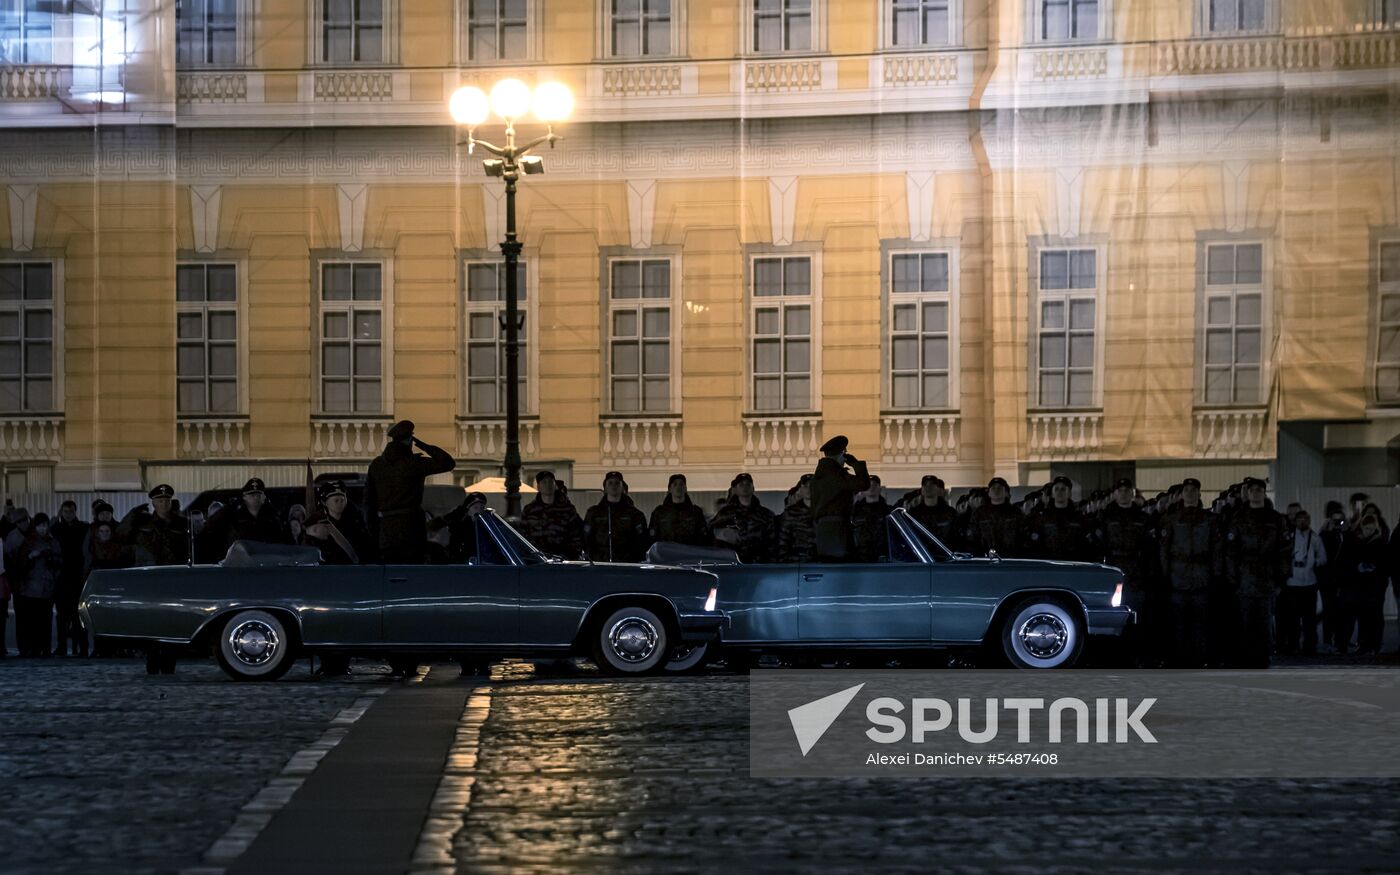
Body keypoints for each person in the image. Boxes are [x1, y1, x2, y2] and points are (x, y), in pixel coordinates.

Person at [365, 420, 456, 564]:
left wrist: (375, 532)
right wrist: (424, 446)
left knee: (391, 576)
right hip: (411, 530)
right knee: (413, 575)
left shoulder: (377, 465)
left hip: (386, 532)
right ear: (410, 439)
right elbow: (448, 463)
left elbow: (369, 502)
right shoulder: (414, 463)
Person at [1222, 477, 1290, 668]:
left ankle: (1263, 658)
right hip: (1244, 577)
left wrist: (1281, 578)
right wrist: (1232, 578)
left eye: (1259, 490)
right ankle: (1246, 658)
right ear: (1248, 493)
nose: (1255, 493)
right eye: (1252, 490)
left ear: (1264, 493)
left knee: (1264, 623)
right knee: (1246, 622)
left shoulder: (1276, 519)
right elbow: (1231, 551)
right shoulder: (1239, 518)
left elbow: (1284, 549)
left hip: (1267, 576)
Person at [1095, 477, 1159, 664]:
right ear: (1114, 494)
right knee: (1112, 616)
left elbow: (1150, 549)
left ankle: (1135, 656)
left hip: (1136, 572)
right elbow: (1099, 548)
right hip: (1113, 571)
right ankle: (1113, 658)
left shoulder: (1142, 518)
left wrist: (1149, 574)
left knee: (1136, 616)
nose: (1123, 493)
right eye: (1120, 490)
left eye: (1127, 490)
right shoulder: (1105, 517)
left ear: (1133, 493)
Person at [1156, 478, 1216, 667]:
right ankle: (1178, 660)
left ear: (1199, 494)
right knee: (1178, 624)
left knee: (1200, 624)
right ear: (1181, 494)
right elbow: (1164, 550)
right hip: (1178, 578)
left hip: (1201, 578)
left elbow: (1216, 549)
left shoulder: (1209, 519)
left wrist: (1216, 575)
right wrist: (1165, 576)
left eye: (1193, 490)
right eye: (1187, 490)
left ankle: (1200, 660)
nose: (1190, 493)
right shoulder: (1171, 519)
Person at [809, 435, 869, 562]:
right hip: (837, 532)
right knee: (841, 569)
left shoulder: (820, 474)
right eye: (845, 452)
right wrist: (856, 464)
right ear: (841, 454)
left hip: (825, 531)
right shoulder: (835, 474)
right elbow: (863, 484)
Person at [1277, 509, 1327, 657]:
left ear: (1309, 520)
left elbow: (1323, 558)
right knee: (1292, 619)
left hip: (1309, 582)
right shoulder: (1289, 537)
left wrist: (1313, 562)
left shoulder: (1315, 538)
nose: (1302, 522)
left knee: (1309, 619)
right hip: (1292, 583)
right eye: (1299, 519)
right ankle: (1293, 646)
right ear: (1295, 521)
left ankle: (1310, 647)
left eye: (1305, 519)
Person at [1339, 508, 1389, 656]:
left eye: (1371, 529)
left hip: (1369, 586)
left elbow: (1385, 566)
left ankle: (1366, 645)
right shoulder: (1371, 542)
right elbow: (1346, 561)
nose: (1369, 531)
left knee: (1367, 618)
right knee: (1360, 618)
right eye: (1367, 528)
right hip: (1361, 585)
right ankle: (1363, 645)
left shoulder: (1375, 542)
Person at [12, 512, 59, 658]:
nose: (43, 529)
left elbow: (60, 563)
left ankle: (44, 648)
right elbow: (19, 565)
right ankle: (30, 648)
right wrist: (31, 556)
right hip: (29, 589)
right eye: (40, 526)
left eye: (45, 525)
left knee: (45, 621)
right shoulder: (27, 542)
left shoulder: (53, 543)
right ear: (35, 526)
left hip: (47, 588)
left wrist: (51, 558)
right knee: (31, 621)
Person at [200, 479, 286, 557]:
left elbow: (280, 546)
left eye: (259, 494)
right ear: (244, 497)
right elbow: (210, 530)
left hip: (266, 564)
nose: (256, 497)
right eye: (252, 494)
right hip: (240, 565)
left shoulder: (273, 520)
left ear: (264, 497)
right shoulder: (233, 518)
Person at [51, 500, 90, 656]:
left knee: (78, 615)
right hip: (62, 576)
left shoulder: (82, 528)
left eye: (71, 511)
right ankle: (63, 646)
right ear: (62, 512)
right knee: (62, 615)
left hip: (77, 575)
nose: (68, 514)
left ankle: (82, 647)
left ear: (75, 511)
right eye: (66, 511)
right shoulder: (56, 529)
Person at [583, 472, 650, 562]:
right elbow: (586, 538)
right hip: (600, 563)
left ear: (622, 487)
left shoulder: (634, 514)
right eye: (610, 483)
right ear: (605, 488)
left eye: (617, 483)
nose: (614, 486)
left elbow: (642, 540)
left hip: (627, 564)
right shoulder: (594, 513)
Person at [711, 473, 776, 564]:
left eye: (748, 484)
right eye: (741, 485)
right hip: (732, 563)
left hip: (758, 563)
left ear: (753, 488)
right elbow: (712, 533)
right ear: (736, 489)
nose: (745, 487)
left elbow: (772, 541)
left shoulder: (765, 514)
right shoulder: (725, 513)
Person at [120, 484, 191, 567]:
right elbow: (122, 537)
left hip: (176, 570)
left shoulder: (183, 523)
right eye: (160, 501)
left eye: (167, 500)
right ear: (153, 503)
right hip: (148, 571)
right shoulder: (143, 523)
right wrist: (131, 516)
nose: (164, 504)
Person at [1026, 476, 1091, 562]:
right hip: (1049, 565)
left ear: (1069, 493)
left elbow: (1087, 545)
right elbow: (1034, 544)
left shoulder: (1079, 518)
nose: (1059, 492)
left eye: (1063, 489)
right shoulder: (1043, 517)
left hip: (1073, 564)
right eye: (1056, 489)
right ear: (1052, 494)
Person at [521, 471, 585, 558]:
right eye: (544, 482)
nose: (548, 485)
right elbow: (523, 534)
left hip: (562, 557)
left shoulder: (567, 509)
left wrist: (574, 554)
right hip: (538, 558)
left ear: (555, 485)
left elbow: (575, 533)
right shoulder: (530, 510)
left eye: (551, 482)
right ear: (539, 487)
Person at [1317, 501, 1348, 653]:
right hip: (1327, 579)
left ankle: (1340, 642)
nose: (1338, 523)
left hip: (1343, 579)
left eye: (1340, 520)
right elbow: (1322, 553)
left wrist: (1346, 531)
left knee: (1341, 611)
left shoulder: (1346, 535)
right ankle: (1328, 641)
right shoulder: (1324, 535)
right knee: (1329, 610)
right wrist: (1326, 532)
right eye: (1335, 520)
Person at [967, 476, 1024, 558]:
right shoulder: (980, 513)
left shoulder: (1015, 512)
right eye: (993, 488)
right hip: (985, 558)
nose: (996, 490)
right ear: (989, 493)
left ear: (1005, 492)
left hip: (1010, 558)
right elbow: (972, 536)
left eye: (1000, 488)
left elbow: (1022, 535)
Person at [648, 474, 711, 547]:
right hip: (666, 554)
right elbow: (652, 539)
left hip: (690, 554)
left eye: (681, 484)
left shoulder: (696, 512)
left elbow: (704, 538)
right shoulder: (659, 512)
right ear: (669, 489)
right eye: (675, 484)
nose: (678, 487)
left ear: (685, 488)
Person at [906, 475, 959, 550]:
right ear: (922, 489)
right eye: (925, 485)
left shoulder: (950, 512)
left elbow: (956, 537)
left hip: (945, 556)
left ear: (937, 489)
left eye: (932, 485)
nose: (928, 487)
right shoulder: (913, 514)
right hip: (922, 555)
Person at [850, 475, 891, 563]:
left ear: (879, 488)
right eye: (869, 485)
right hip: (860, 555)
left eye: (874, 485)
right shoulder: (855, 511)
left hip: (882, 555)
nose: (871, 488)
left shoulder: (887, 511)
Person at [776, 474, 817, 563]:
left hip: (820, 562)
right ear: (801, 489)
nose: (808, 489)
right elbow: (782, 542)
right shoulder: (791, 513)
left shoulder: (825, 511)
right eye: (805, 486)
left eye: (812, 485)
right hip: (797, 563)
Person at [443, 491, 489, 562]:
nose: (479, 511)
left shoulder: (485, 525)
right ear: (467, 510)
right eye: (475, 508)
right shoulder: (459, 526)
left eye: (482, 508)